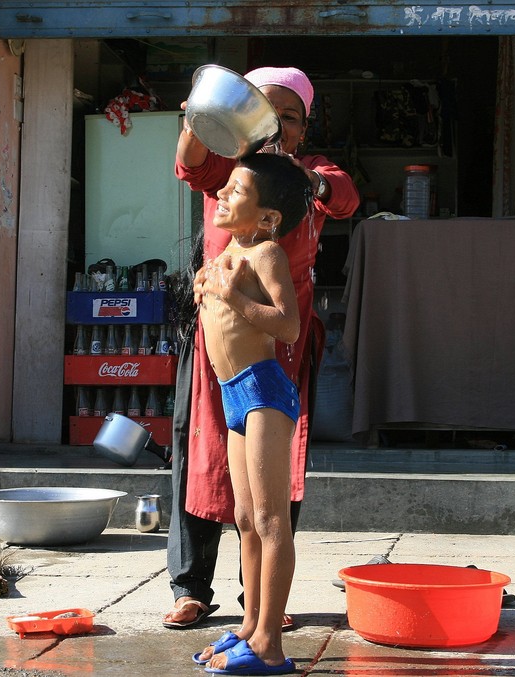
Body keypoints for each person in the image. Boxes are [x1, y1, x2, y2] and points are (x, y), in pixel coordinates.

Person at [164, 66, 360, 631]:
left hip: (276, 349)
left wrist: (305, 181)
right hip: (216, 344)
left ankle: (263, 602)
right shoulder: (231, 170)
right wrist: (199, 117)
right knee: (196, 454)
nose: (277, 127)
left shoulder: (304, 178)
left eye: (288, 118)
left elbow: (343, 196)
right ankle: (191, 587)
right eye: (262, 113)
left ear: (304, 126)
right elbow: (190, 161)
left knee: (275, 479)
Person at [192, 152, 309, 675]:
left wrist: (231, 295)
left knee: (269, 518)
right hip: (232, 392)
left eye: (236, 190)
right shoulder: (227, 255)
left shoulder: (267, 254)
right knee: (243, 520)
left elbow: (288, 326)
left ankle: (270, 644)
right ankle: (248, 627)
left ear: (268, 217)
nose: (221, 194)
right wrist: (207, 289)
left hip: (263, 391)